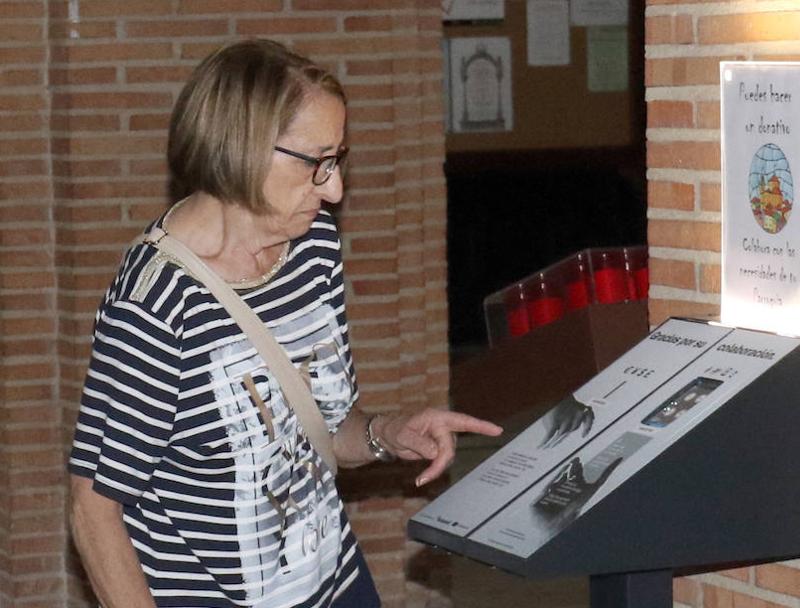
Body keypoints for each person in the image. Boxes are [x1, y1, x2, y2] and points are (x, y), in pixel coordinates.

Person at [67, 38, 502, 608]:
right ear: (243, 147)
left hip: (335, 583)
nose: (336, 189)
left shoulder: (313, 247)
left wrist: (387, 435)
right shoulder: (157, 304)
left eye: (338, 159)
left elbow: (319, 430)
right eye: (318, 162)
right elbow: (94, 508)